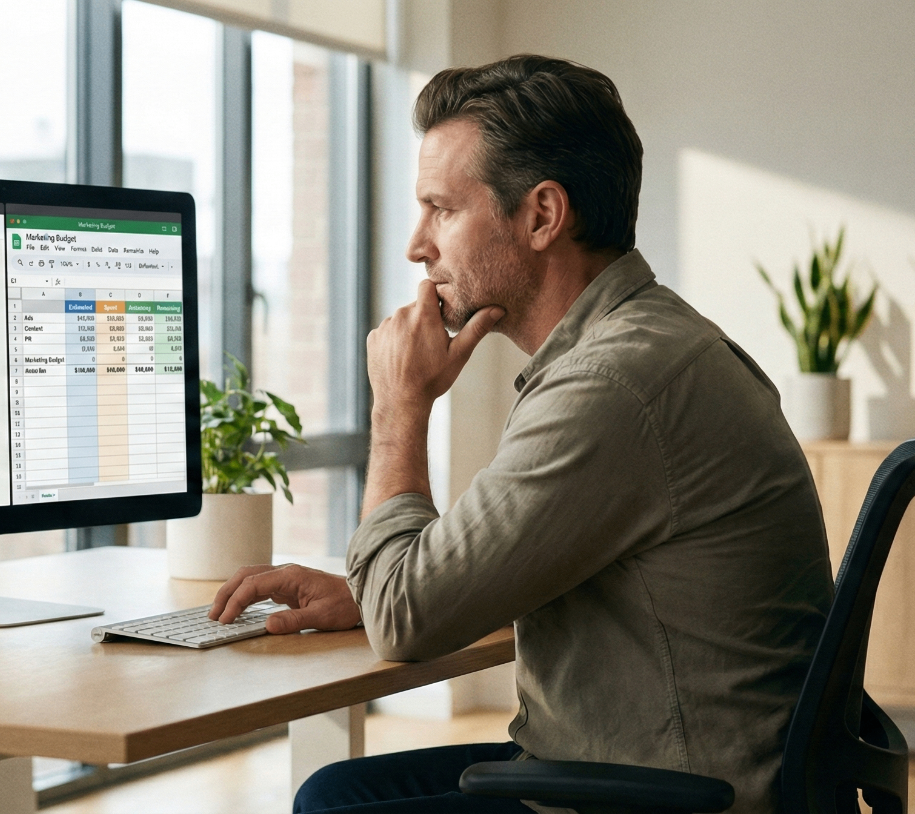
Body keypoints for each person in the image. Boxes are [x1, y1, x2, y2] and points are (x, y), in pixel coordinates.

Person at [209, 54, 833, 814]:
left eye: (441, 208)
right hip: (663, 763)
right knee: (337, 790)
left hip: (667, 793)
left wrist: (399, 406)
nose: (416, 244)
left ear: (541, 215)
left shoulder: (612, 386)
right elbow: (491, 571)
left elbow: (409, 621)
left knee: (327, 808)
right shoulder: (646, 346)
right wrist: (366, 593)